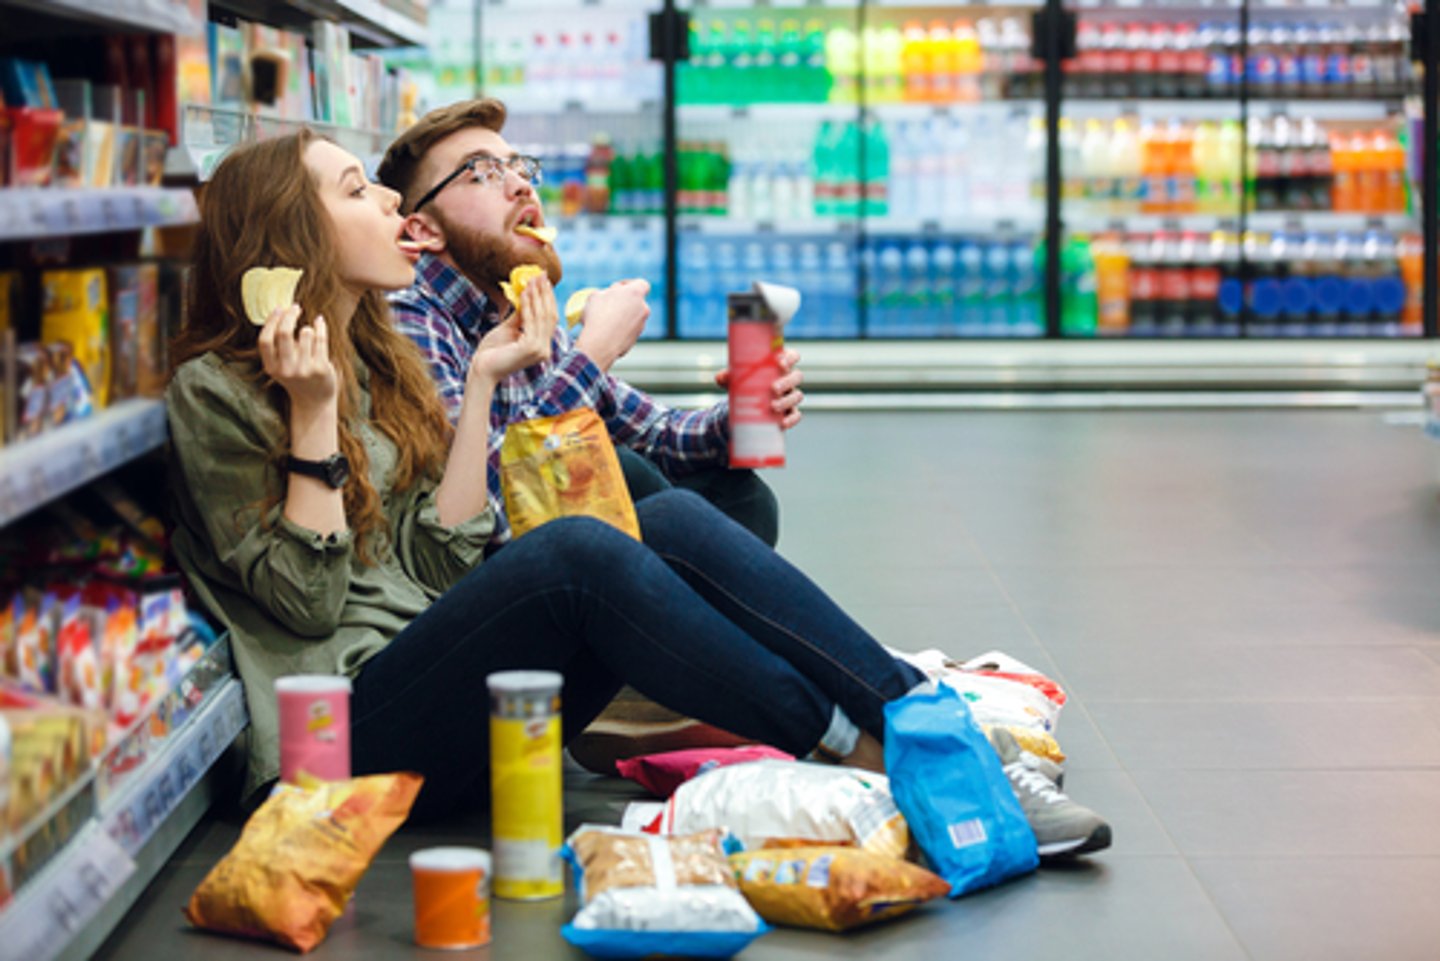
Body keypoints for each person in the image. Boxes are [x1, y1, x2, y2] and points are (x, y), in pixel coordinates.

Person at [163, 130, 1110, 857]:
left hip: (440, 675)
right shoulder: (220, 391)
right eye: (354, 189)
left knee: (660, 512)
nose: (386, 203)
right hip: (336, 743)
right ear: (293, 237)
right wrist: (313, 418)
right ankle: (886, 758)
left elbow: (434, 554)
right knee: (583, 548)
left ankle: (917, 721)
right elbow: (313, 599)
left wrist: (492, 378)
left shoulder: (373, 353)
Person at [377, 98, 797, 549]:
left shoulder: (517, 308)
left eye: (519, 167)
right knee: (629, 474)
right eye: (482, 172)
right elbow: (485, 516)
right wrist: (593, 354)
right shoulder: (410, 315)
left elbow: (656, 433)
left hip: (564, 552)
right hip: (492, 579)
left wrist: (739, 416)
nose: (521, 186)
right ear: (423, 230)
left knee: (740, 497)